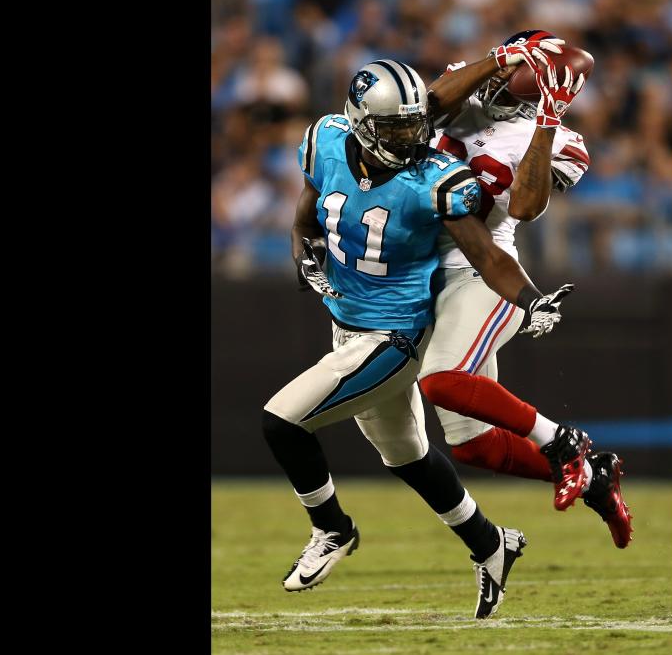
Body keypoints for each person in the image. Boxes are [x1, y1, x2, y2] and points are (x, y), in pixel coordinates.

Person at [261, 59, 573, 618]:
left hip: (395, 335)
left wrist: (530, 300)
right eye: (396, 127)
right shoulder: (324, 142)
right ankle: (490, 543)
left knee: (281, 421)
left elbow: (485, 252)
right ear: (359, 123)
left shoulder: (436, 178)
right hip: (347, 324)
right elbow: (307, 216)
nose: (410, 134)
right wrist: (304, 252)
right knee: (407, 456)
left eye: (414, 123)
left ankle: (332, 528)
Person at [416, 30, 633, 548]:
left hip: (484, 272)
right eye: (512, 82)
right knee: (470, 446)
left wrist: (546, 119)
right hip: (419, 271)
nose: (503, 93)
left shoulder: (565, 143)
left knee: (441, 380)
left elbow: (524, 207)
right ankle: (595, 479)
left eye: (522, 90)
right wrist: (499, 59)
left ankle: (564, 443)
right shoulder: (466, 80)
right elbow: (423, 110)